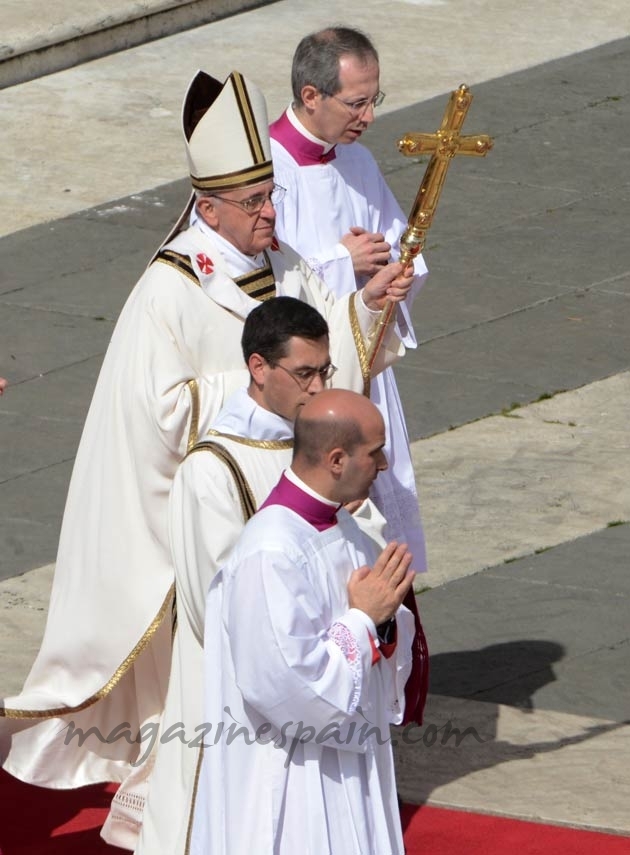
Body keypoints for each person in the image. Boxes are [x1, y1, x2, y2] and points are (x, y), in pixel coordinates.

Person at [0, 68, 413, 850]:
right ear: (208, 207)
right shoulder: (169, 288)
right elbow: (154, 408)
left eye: (271, 196)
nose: (270, 212)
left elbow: (324, 349)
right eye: (254, 202)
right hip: (208, 493)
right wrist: (255, 387)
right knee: (221, 664)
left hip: (287, 483)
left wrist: (365, 306)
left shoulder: (279, 258)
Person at [132, 297, 347, 853]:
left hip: (310, 671)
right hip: (230, 695)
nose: (318, 388)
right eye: (304, 374)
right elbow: (216, 608)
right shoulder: (212, 469)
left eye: (325, 371)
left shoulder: (318, 446)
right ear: (257, 368)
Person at [190, 388, 416, 855]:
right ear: (337, 459)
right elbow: (287, 688)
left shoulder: (346, 527)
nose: (384, 465)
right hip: (296, 776)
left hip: (351, 755)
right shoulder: (269, 552)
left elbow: (373, 626)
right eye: (375, 453)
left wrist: (385, 622)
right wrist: (363, 621)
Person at [270, 26, 429, 573]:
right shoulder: (266, 171)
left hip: (370, 362)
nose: (368, 117)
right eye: (356, 103)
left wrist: (399, 277)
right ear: (311, 95)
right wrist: (345, 265)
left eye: (373, 100)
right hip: (316, 379)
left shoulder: (357, 161)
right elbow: (268, 289)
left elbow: (398, 241)